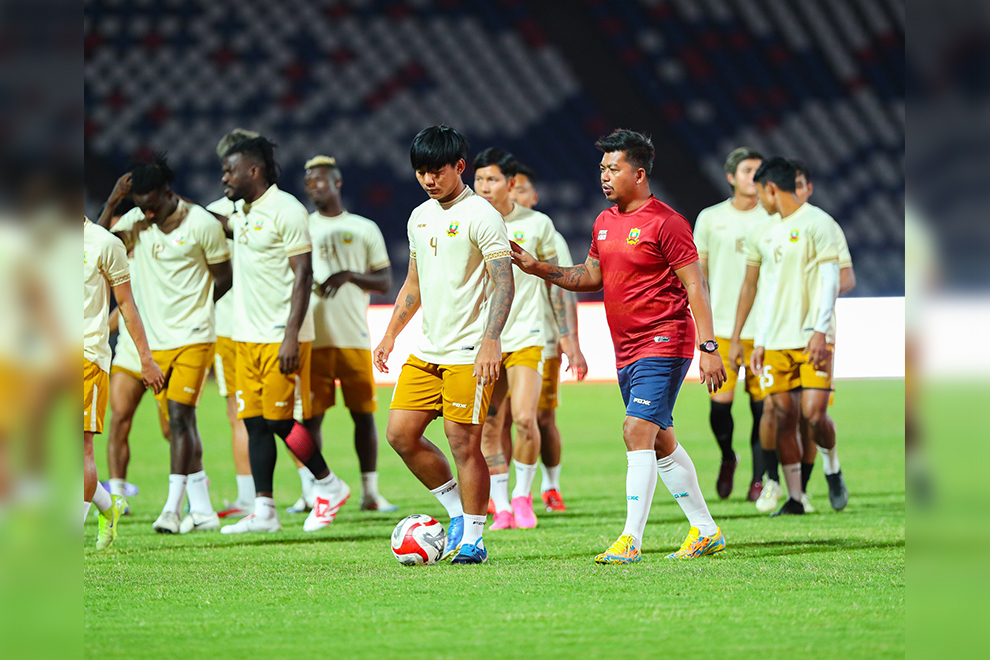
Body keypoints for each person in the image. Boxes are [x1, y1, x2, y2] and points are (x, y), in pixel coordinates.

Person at [511, 129, 727, 563]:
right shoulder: (605, 222)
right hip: (626, 348)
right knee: (660, 439)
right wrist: (538, 269)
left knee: (635, 430)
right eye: (602, 169)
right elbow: (591, 276)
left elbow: (695, 287)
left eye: (614, 168)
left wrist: (708, 346)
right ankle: (705, 529)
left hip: (666, 339)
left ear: (639, 173)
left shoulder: (667, 222)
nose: (605, 177)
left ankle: (631, 539)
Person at [373, 125, 514, 564]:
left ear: (459, 166)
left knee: (463, 442)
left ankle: (474, 537)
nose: (429, 180)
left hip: (469, 352)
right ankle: (457, 512)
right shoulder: (419, 216)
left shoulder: (483, 215)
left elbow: (503, 284)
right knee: (400, 435)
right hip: (427, 351)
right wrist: (391, 333)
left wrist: (491, 342)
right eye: (420, 172)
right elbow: (413, 283)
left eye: (436, 171)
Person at [216, 136, 350, 534]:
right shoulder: (244, 212)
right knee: (255, 423)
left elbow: (304, 274)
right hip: (245, 338)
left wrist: (291, 335)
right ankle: (265, 512)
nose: (224, 177)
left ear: (253, 171)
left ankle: (329, 485)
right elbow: (226, 225)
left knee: (279, 422)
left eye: (230, 170)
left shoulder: (286, 210)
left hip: (280, 336)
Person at [98, 155, 232, 534]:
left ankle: (173, 509)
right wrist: (113, 202)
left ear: (169, 194)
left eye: (153, 206)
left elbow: (224, 276)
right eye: (142, 207)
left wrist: (197, 307)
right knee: (126, 417)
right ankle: (198, 508)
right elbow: (96, 243)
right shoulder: (136, 223)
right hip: (145, 344)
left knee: (178, 421)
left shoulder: (202, 224)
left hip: (192, 338)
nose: (149, 214)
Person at [731, 160, 855, 513]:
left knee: (815, 414)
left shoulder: (819, 223)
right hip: (775, 341)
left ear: (771, 189)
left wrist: (820, 329)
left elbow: (833, 280)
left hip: (813, 337)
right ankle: (796, 497)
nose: (759, 201)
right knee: (784, 414)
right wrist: (759, 340)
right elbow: (764, 291)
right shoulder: (762, 232)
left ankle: (832, 467)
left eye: (760, 193)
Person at [472, 148, 563, 531]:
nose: (483, 187)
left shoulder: (538, 224)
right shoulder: (468, 221)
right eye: (478, 180)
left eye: (491, 179)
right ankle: (502, 505)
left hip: (526, 334)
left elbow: (554, 281)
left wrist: (567, 337)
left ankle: (524, 497)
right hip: (483, 339)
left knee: (526, 418)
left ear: (510, 184)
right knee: (489, 426)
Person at [301, 154, 397, 512]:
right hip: (312, 335)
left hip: (353, 335)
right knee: (310, 419)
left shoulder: (363, 227)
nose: (314, 186)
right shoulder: (301, 227)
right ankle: (313, 489)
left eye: (320, 180)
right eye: (309, 181)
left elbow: (385, 281)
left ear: (337, 183)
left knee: (363, 416)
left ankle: (370, 492)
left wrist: (347, 275)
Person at [510, 163, 588, 512]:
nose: (516, 194)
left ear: (534, 195)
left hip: (540, 338)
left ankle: (550, 485)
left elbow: (563, 288)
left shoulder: (546, 233)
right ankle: (504, 496)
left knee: (541, 418)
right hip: (498, 341)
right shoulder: (488, 226)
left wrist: (569, 340)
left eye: (523, 188)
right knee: (498, 421)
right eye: (512, 188)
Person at [694, 147, 770, 502]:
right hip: (721, 328)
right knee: (719, 408)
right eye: (746, 170)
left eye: (758, 170)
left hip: (766, 329)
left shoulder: (772, 218)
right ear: (730, 177)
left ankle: (759, 478)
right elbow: (699, 276)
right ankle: (728, 456)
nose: (753, 176)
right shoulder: (710, 218)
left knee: (762, 408)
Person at [84, 217, 164, 550]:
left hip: (85, 355)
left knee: (79, 451)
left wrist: (146, 359)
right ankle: (109, 504)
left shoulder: (104, 244)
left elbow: (127, 305)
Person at [103, 200, 171, 515]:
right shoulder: (115, 260)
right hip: (130, 354)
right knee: (118, 420)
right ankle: (117, 496)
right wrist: (102, 327)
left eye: (123, 229)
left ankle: (186, 491)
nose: (118, 236)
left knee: (174, 429)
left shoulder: (157, 251)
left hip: (167, 349)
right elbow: (125, 310)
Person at [206, 128, 260, 518]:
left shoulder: (214, 214)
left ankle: (250, 497)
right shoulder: (282, 208)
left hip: (234, 329)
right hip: (261, 325)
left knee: (242, 414)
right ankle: (316, 488)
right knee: (277, 412)